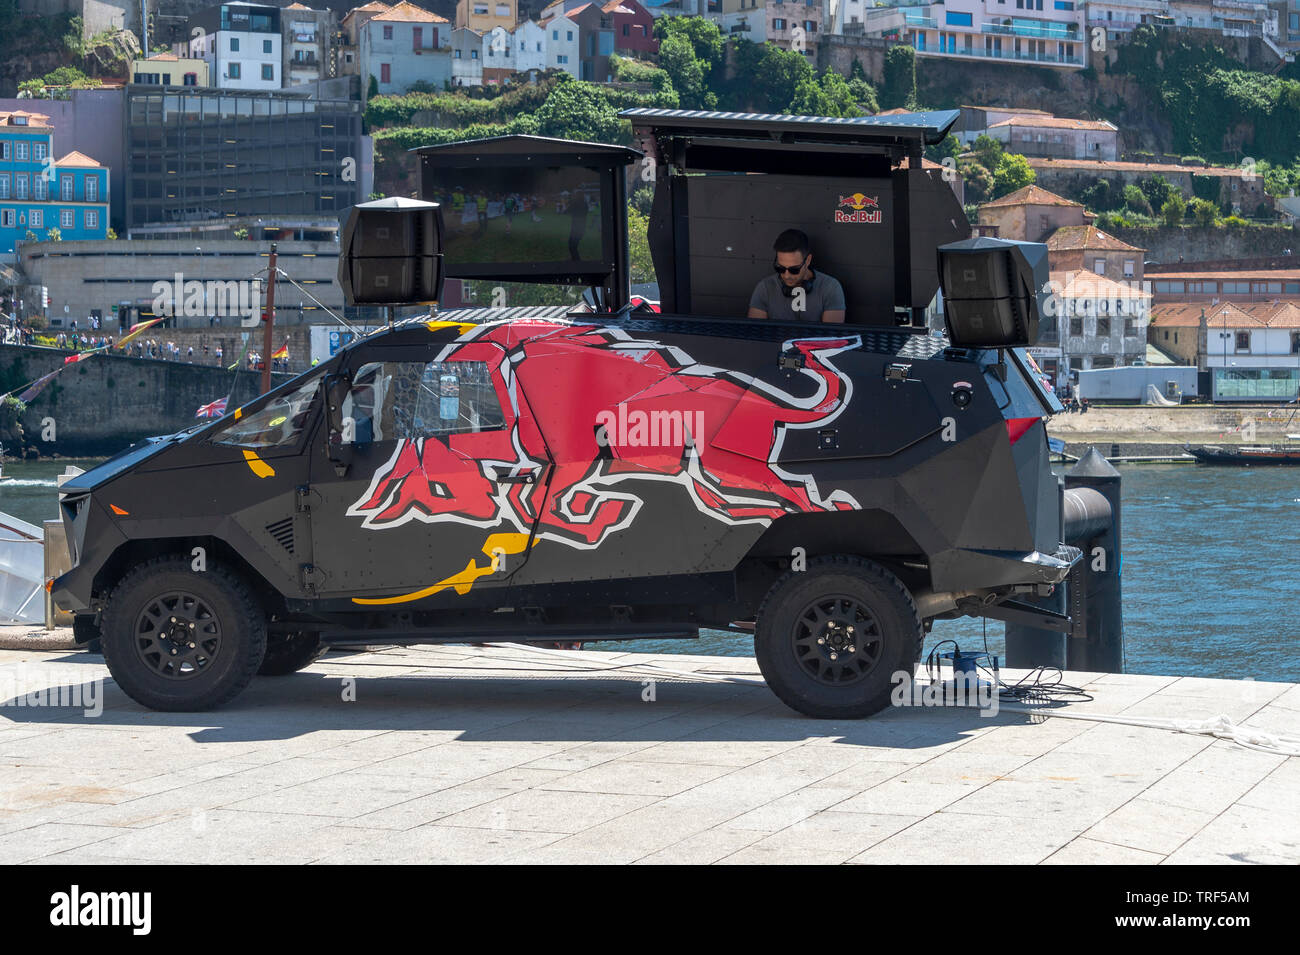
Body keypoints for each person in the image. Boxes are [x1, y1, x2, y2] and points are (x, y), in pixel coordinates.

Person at [747, 229, 846, 324]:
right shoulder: (765, 288)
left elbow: (831, 336)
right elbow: (755, 333)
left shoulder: (830, 287)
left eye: (794, 269)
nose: (786, 275)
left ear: (807, 260)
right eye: (780, 268)